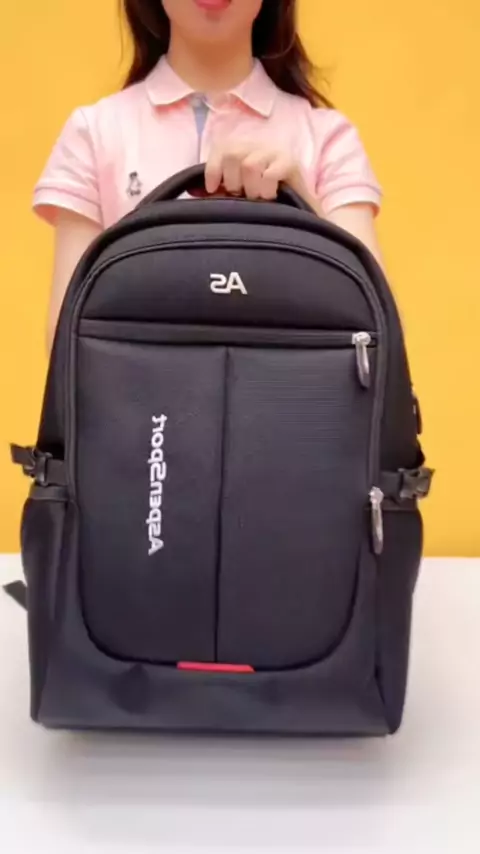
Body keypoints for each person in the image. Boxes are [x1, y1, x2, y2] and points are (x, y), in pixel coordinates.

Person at [34, 0, 384, 351]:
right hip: (138, 388)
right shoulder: (93, 133)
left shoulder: (328, 139)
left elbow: (376, 329)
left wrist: (303, 205)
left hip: (291, 387)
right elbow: (68, 344)